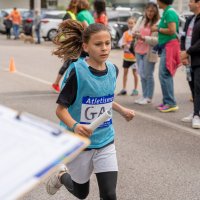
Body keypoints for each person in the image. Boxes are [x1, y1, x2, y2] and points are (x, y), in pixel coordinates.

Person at [46, 20, 135, 200]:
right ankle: (62, 176)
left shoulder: (113, 70)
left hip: (105, 141)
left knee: (109, 195)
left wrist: (121, 109)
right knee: (81, 193)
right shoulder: (77, 73)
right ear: (86, 47)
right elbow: (61, 110)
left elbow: (105, 98)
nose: (104, 48)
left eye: (107, 43)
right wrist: (76, 125)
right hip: (80, 144)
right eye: (98, 44)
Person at [151, 0, 180, 112]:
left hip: (170, 46)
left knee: (164, 74)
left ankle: (170, 102)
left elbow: (172, 30)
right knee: (165, 74)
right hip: (166, 46)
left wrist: (157, 29)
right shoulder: (166, 12)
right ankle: (167, 101)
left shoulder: (169, 13)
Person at [133, 2, 159, 104]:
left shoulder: (158, 23)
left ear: (156, 11)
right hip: (138, 50)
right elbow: (134, 31)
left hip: (149, 52)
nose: (150, 13)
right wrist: (135, 33)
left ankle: (148, 97)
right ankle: (144, 95)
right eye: (148, 10)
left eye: (152, 11)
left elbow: (157, 40)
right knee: (142, 74)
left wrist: (144, 38)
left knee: (148, 75)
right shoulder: (141, 19)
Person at [180, 0, 200, 129]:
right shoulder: (189, 19)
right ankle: (195, 111)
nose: (188, 3)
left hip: (198, 59)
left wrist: (188, 52)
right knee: (192, 85)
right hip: (188, 59)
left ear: (198, 3)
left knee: (198, 86)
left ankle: (197, 115)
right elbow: (182, 37)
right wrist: (183, 53)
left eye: (191, 1)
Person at [52, 0, 78, 92]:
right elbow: (65, 28)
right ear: (74, 7)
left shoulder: (72, 15)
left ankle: (57, 84)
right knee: (68, 63)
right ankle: (57, 84)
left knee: (70, 63)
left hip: (71, 42)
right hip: (69, 42)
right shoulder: (69, 14)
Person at [118, 17, 139, 96]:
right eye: (129, 23)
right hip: (126, 57)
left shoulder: (136, 33)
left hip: (134, 58)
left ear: (135, 24)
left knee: (135, 74)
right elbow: (120, 43)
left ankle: (135, 89)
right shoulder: (125, 33)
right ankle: (124, 89)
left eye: (132, 23)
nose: (130, 25)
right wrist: (123, 45)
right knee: (125, 73)